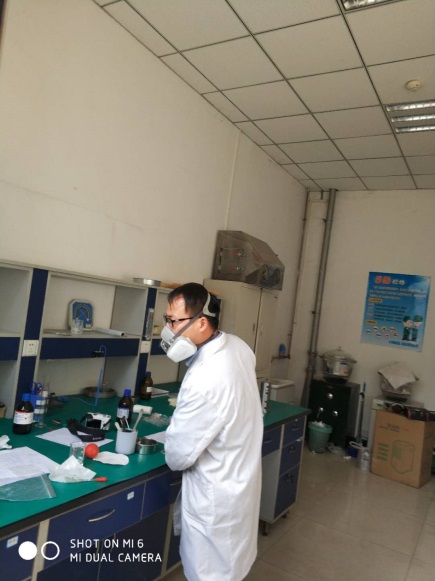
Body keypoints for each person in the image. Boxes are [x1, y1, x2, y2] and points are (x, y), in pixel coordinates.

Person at [161, 282, 263, 581]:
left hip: (216, 495)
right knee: (231, 565)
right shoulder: (238, 346)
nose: (168, 330)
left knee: (210, 572)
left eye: (174, 321)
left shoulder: (205, 379)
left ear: (202, 323)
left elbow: (177, 457)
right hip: (239, 478)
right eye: (167, 319)